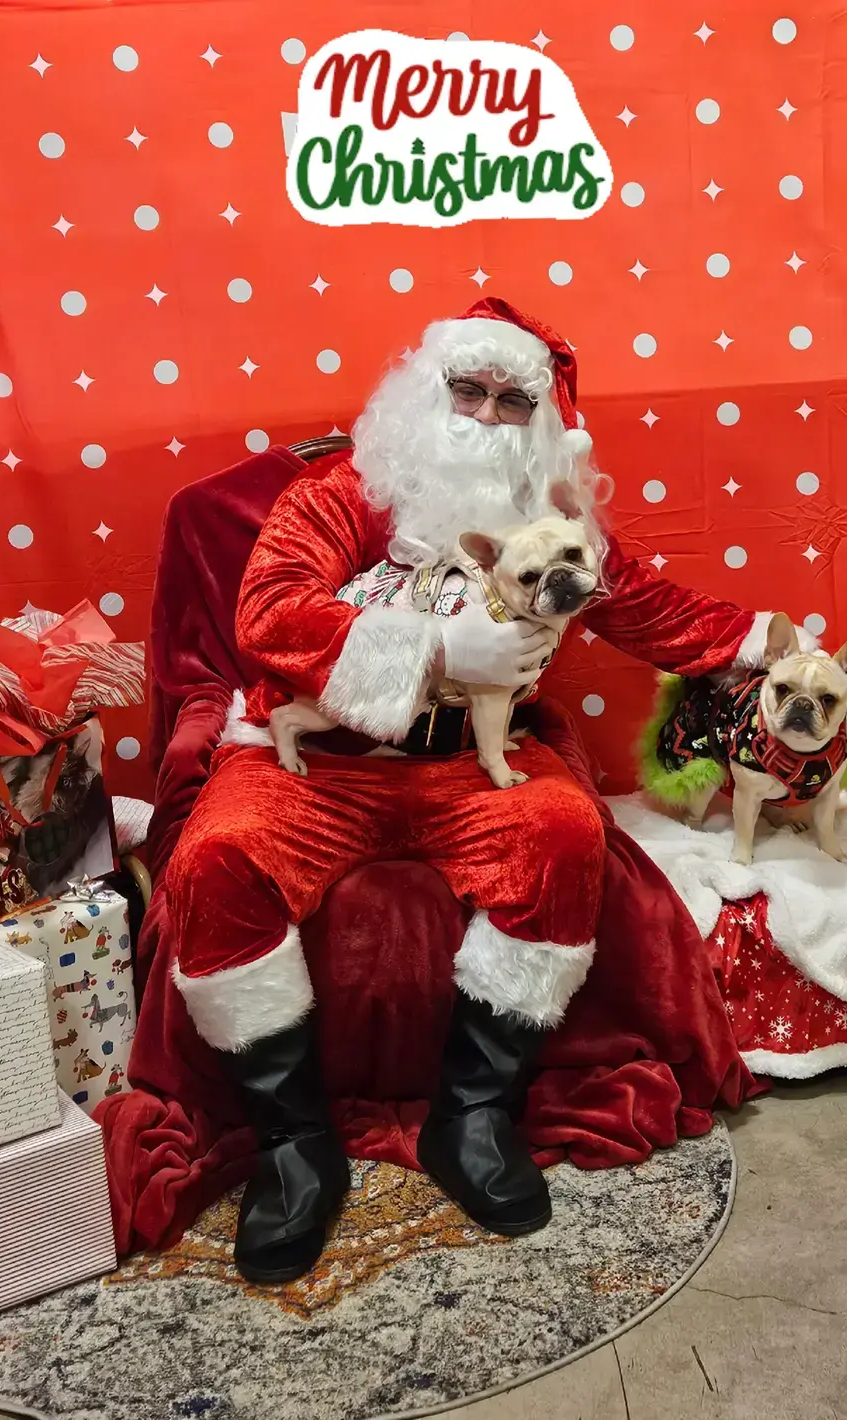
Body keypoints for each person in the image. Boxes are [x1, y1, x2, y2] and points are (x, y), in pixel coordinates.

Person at [165, 297, 779, 1286]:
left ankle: (473, 1115)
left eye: (511, 397)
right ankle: (293, 1140)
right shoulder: (341, 492)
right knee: (217, 857)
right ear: (426, 391)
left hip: (472, 755)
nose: (487, 416)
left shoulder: (554, 520)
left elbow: (652, 608)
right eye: (468, 389)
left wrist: (763, 644)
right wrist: (439, 646)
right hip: (323, 761)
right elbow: (269, 614)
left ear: (540, 416)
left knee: (562, 833)